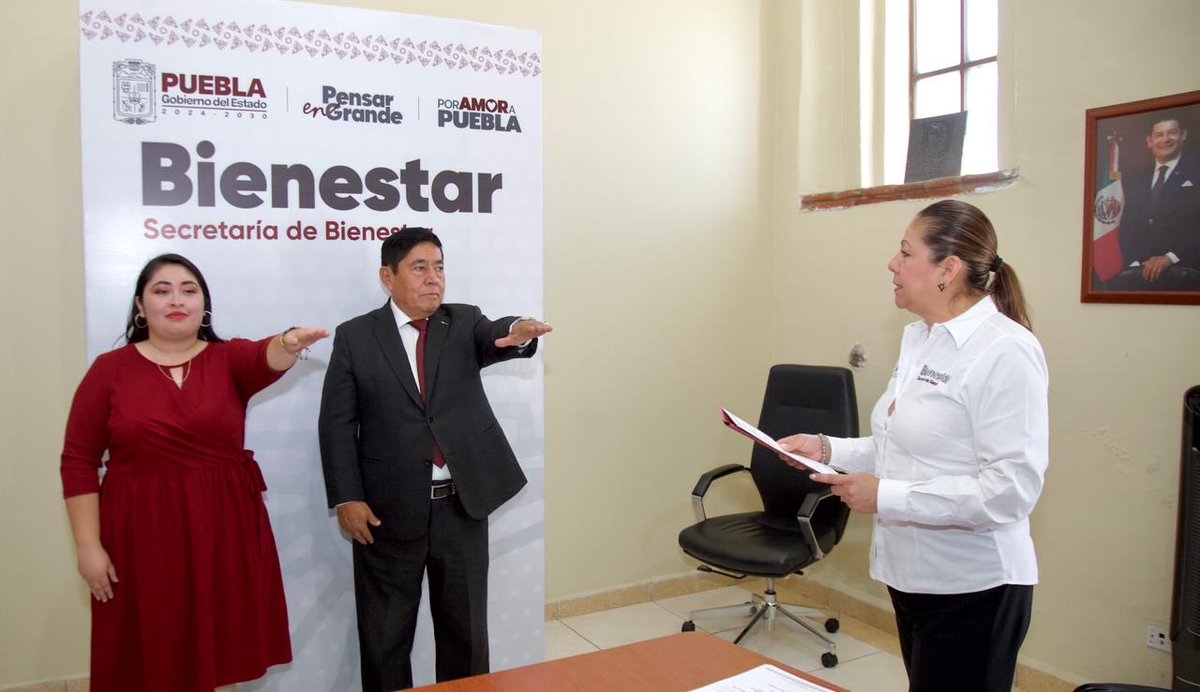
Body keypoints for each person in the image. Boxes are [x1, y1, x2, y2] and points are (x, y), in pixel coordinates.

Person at [779, 200, 1049, 692]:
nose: (892, 263)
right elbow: (903, 447)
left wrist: (886, 497)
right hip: (913, 576)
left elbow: (1011, 491)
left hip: (973, 585)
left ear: (948, 269)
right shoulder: (921, 338)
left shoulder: (1006, 350)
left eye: (906, 253)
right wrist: (827, 449)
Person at [59, 253, 329, 692]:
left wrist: (289, 341)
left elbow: (267, 355)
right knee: (149, 656)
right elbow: (78, 462)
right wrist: (88, 547)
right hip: (138, 535)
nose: (176, 300)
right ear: (140, 307)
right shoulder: (108, 371)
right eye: (161, 291)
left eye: (189, 290)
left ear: (205, 306)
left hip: (222, 530)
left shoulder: (228, 359)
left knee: (220, 653)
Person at [318, 227, 551, 691]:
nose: (433, 279)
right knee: (385, 639)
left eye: (439, 267)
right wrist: (348, 498)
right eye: (420, 268)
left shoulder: (462, 322)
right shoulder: (356, 337)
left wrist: (516, 332)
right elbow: (337, 424)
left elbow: (496, 334)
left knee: (465, 636)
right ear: (388, 276)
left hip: (460, 508)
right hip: (386, 514)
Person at [1113, 115, 1200, 290]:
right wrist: (1136, 262)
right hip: (1139, 274)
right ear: (1149, 141)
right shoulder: (1134, 178)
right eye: (1159, 135)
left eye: (1172, 133)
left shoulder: (1196, 171)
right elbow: (1127, 225)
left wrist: (1170, 258)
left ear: (1183, 135)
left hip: (1186, 272)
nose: (1165, 139)